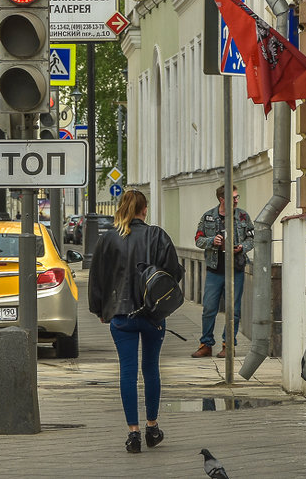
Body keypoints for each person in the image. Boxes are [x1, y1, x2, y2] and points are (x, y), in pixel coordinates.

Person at [88, 189, 183, 454]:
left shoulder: (108, 240)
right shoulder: (157, 236)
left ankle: (133, 433)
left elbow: (97, 278)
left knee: (127, 373)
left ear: (121, 208)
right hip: (153, 315)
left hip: (120, 315)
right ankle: (152, 426)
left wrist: (100, 309)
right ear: (144, 210)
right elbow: (173, 273)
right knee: (151, 369)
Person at [192, 185, 255, 358]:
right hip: (215, 269)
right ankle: (206, 344)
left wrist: (242, 247)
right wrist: (213, 241)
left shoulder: (242, 216)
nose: (236, 200)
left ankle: (229, 345)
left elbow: (251, 238)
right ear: (222, 199)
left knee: (233, 310)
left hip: (236, 269)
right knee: (209, 308)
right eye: (233, 197)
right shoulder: (208, 217)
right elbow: (198, 240)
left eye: (237, 197)